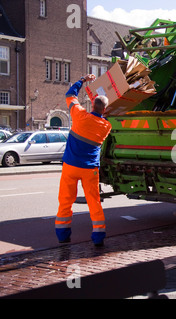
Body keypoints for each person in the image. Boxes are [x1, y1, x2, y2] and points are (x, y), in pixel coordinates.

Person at [55, 74, 112, 247]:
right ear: (105, 110)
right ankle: (98, 237)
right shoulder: (106, 127)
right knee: (94, 202)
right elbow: (104, 116)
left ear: (92, 104)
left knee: (65, 200)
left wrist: (82, 80)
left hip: (71, 166)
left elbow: (70, 95)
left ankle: (63, 235)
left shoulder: (79, 115)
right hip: (90, 169)